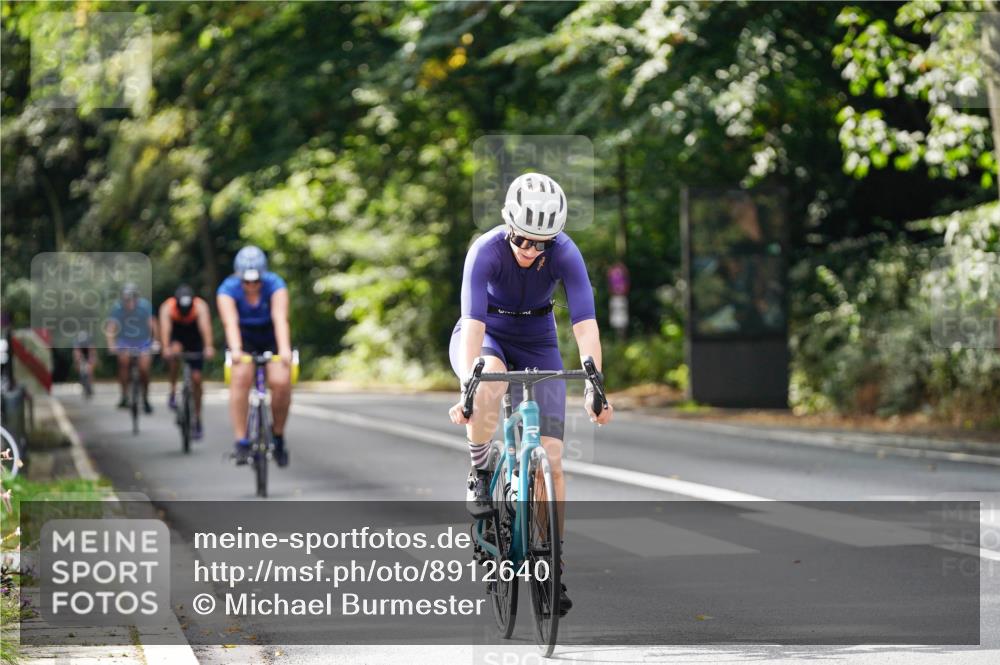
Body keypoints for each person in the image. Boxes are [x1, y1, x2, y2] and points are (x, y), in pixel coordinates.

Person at [447, 172, 614, 614]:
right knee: (491, 380)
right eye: (523, 240)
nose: (530, 251)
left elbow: (584, 323)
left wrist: (596, 384)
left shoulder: (565, 253)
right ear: (508, 226)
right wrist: (469, 386)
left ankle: (550, 564)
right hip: (487, 334)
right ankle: (481, 471)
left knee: (553, 461)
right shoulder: (485, 250)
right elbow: (474, 324)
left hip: (539, 338)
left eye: (541, 243)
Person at [216, 246, 293, 467]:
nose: (252, 286)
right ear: (239, 277)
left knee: (281, 382)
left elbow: (280, 318)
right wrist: (237, 350)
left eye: (256, 281)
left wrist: (285, 350)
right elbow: (230, 322)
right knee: (240, 378)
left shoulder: (275, 284)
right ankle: (241, 441)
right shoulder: (227, 289)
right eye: (246, 282)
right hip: (243, 337)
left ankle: (277, 435)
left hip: (271, 335)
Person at [159, 284, 215, 440]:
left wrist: (209, 346)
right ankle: (172, 390)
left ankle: (197, 418)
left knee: (197, 378)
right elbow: (165, 329)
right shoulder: (167, 307)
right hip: (177, 337)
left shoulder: (200, 306)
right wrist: (165, 348)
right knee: (174, 354)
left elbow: (205, 327)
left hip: (195, 338)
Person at [105, 283, 158, 413]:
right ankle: (124, 396)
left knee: (144, 369)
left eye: (133, 298)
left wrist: (156, 341)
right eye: (127, 299)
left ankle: (145, 398)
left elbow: (153, 325)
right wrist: (111, 345)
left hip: (143, 340)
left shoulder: (145, 306)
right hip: (125, 341)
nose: (130, 302)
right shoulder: (117, 308)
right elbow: (111, 328)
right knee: (124, 362)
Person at [72, 330, 98, 398]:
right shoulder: (77, 343)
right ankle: (82, 383)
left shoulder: (89, 342)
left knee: (90, 369)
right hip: (81, 354)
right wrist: (77, 362)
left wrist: (92, 361)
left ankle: (90, 385)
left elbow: (92, 352)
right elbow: (76, 353)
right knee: (80, 367)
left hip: (88, 354)